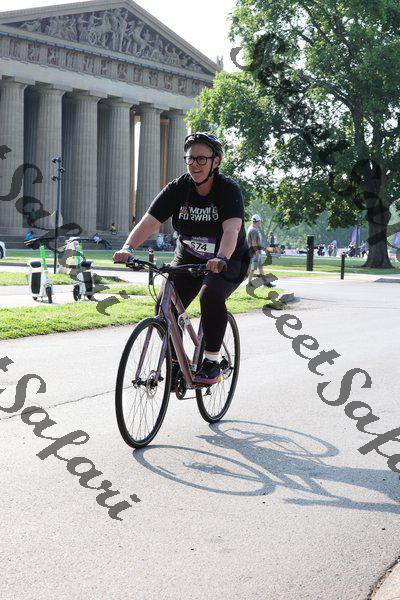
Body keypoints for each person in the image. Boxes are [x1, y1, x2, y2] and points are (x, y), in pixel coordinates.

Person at [113, 131, 250, 387]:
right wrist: (128, 247)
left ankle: (211, 361)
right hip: (189, 256)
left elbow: (231, 230)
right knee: (164, 308)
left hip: (228, 259)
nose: (195, 164)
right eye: (190, 159)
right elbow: (149, 222)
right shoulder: (178, 189)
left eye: (201, 159)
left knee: (210, 295)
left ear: (216, 161)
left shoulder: (227, 189)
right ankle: (178, 362)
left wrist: (221, 257)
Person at [246, 215, 274, 287]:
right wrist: (256, 253)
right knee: (253, 268)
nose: (260, 223)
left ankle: (265, 283)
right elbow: (254, 242)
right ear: (258, 221)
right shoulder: (254, 230)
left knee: (260, 268)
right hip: (254, 252)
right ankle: (249, 283)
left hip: (253, 251)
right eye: (260, 221)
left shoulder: (250, 228)